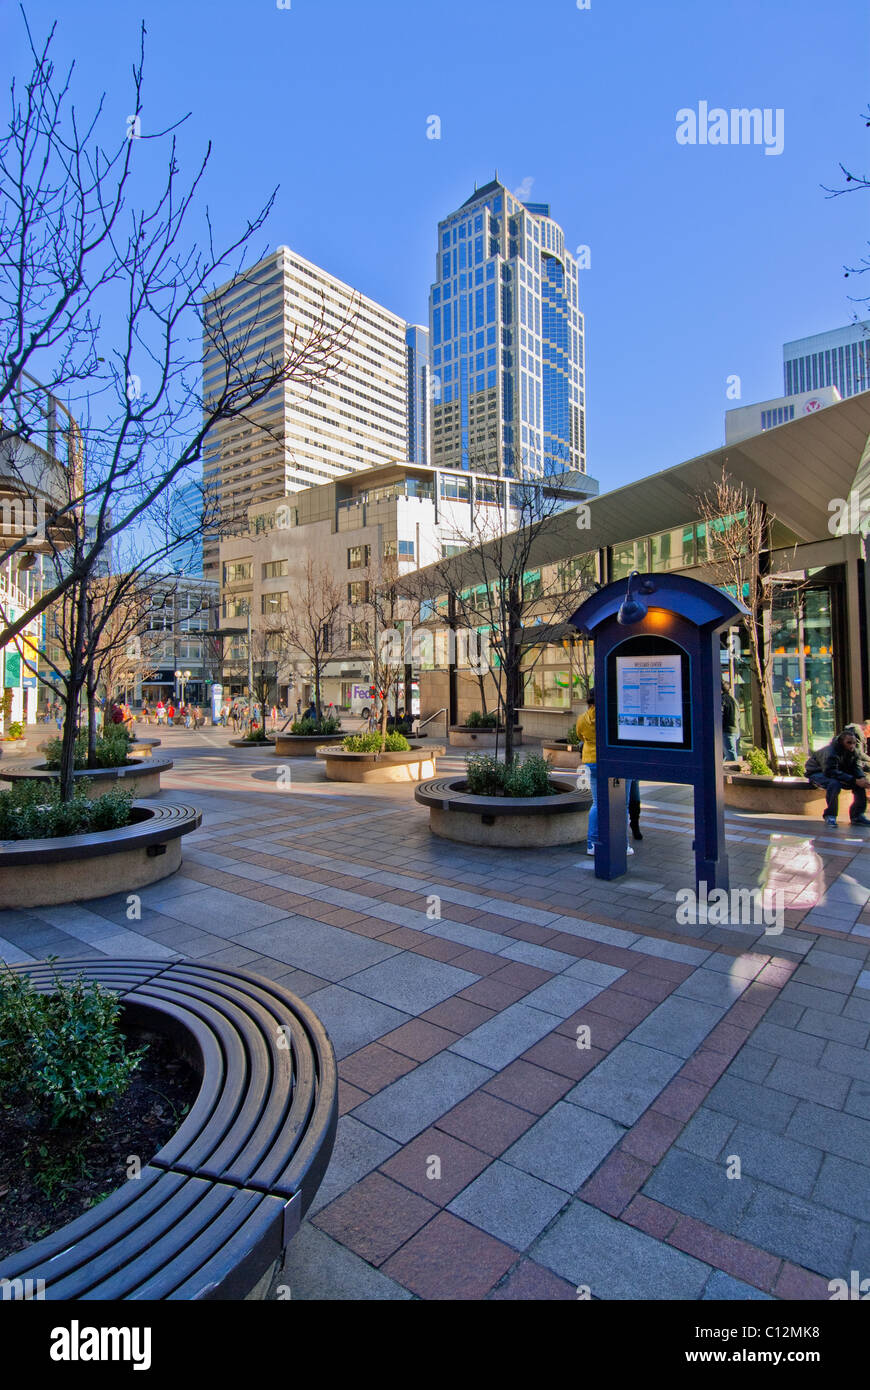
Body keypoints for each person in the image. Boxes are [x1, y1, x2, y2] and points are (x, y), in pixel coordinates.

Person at [576, 691, 634, 857]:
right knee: (622, 804)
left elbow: (580, 736)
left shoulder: (582, 719)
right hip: (618, 761)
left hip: (592, 762)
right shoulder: (613, 715)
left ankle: (592, 844)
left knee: (598, 803)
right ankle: (623, 844)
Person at [806, 729, 870, 827]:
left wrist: (862, 779)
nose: (852, 746)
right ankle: (830, 815)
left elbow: (856, 767)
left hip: (837, 771)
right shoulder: (830, 752)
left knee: (860, 784)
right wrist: (854, 780)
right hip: (818, 772)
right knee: (834, 783)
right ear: (841, 742)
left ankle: (857, 816)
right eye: (849, 743)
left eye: (853, 743)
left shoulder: (854, 752)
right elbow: (830, 771)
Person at [722, 678, 740, 762]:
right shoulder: (733, 699)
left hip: (727, 731)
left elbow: (720, 715)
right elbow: (738, 715)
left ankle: (736, 773)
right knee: (723, 752)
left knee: (730, 754)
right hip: (735, 729)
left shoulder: (722, 700)